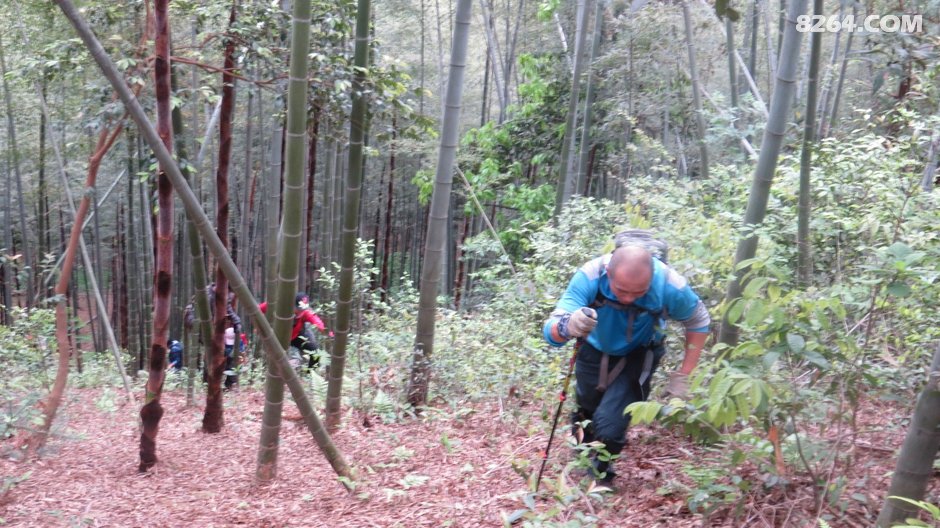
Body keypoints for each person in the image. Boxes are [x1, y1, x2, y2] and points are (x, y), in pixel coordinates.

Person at [542, 244, 711, 483]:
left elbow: (698, 320)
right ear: (608, 272)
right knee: (586, 406)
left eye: (639, 292)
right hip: (593, 345)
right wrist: (568, 325)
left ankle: (600, 476)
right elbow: (551, 333)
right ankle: (582, 452)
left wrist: (685, 373)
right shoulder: (589, 276)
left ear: (651, 278)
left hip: (640, 354)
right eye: (621, 290)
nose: (629, 298)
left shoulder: (669, 285)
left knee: (611, 423)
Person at [259, 292, 333, 369]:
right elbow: (257, 310)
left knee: (315, 352)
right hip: (278, 337)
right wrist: (259, 326)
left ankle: (311, 374)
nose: (301, 311)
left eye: (303, 309)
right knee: (281, 360)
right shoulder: (278, 305)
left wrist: (329, 334)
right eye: (299, 308)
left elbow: (317, 322)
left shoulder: (305, 313)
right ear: (292, 305)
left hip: (296, 336)